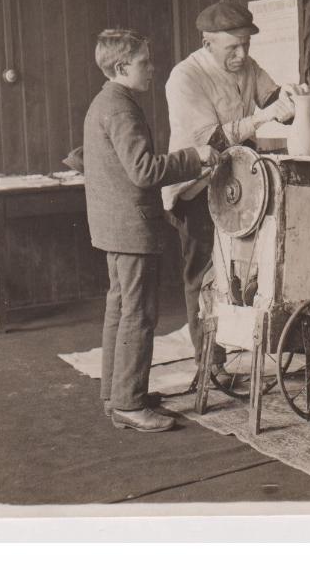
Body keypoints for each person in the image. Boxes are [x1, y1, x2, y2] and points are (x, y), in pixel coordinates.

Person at [83, 28, 220, 432]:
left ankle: (117, 392)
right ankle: (128, 402)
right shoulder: (122, 108)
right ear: (122, 66)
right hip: (131, 228)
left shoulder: (105, 102)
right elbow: (143, 171)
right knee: (138, 314)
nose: (152, 68)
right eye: (144, 62)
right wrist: (193, 158)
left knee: (120, 309)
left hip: (114, 226)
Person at [163, 1, 298, 385]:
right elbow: (215, 140)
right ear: (207, 43)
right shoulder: (184, 77)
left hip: (240, 185)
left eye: (246, 45)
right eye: (232, 48)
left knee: (244, 270)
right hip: (197, 187)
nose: (241, 55)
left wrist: (290, 101)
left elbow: (274, 100)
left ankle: (244, 342)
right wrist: (264, 117)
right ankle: (210, 362)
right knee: (204, 275)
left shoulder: (248, 68)